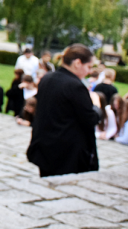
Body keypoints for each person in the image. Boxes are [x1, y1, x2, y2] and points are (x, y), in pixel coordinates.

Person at [27, 44, 101, 177]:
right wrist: (96, 104)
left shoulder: (47, 78)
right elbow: (90, 119)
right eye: (88, 67)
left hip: (45, 148)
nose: (89, 72)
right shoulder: (75, 86)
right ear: (78, 63)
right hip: (66, 154)